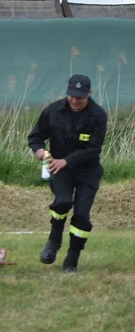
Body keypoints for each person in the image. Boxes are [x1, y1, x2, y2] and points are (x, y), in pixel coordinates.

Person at [27, 74, 108, 272]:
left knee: (81, 216)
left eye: (80, 97)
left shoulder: (98, 115)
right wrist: (39, 151)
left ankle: (72, 259)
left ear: (89, 94)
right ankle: (53, 242)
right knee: (62, 202)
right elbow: (35, 137)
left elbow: (93, 150)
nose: (75, 100)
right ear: (67, 92)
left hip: (87, 172)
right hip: (58, 169)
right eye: (72, 96)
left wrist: (66, 161)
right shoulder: (53, 111)